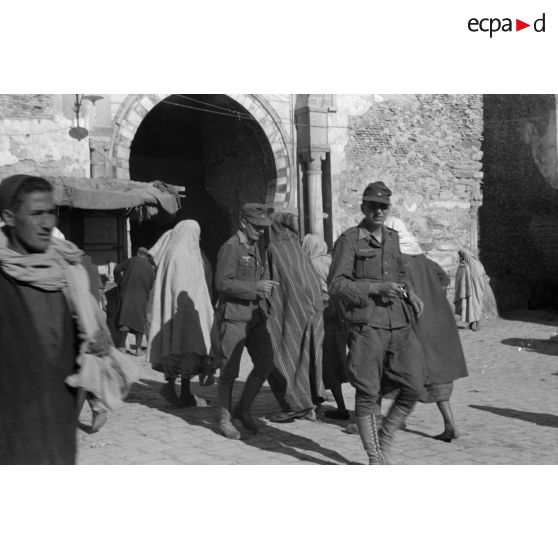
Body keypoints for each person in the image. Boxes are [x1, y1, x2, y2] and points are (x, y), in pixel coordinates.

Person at [0, 174, 112, 464]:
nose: (47, 223)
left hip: (58, 427)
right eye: (36, 213)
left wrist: (95, 342)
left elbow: (81, 337)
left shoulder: (67, 272)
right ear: (9, 217)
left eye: (51, 212)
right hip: (10, 432)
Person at [328, 181, 425, 465]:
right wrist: (375, 288)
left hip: (399, 323)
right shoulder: (349, 240)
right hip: (367, 325)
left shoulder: (393, 238)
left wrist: (411, 293)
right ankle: (375, 456)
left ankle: (386, 434)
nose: (378, 211)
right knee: (368, 391)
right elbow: (336, 285)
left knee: (414, 385)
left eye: (383, 206)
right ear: (363, 207)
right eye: (373, 206)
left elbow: (400, 273)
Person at [384, 216, 468, 441]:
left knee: (399, 369)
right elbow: (443, 278)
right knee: (436, 377)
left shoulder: (396, 259)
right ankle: (450, 424)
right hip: (437, 319)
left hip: (415, 321)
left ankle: (388, 420)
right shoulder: (422, 259)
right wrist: (432, 291)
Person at [214, 203, 277, 439]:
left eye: (263, 227)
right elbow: (222, 283)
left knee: (265, 363)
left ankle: (243, 409)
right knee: (229, 370)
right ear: (243, 223)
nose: (261, 231)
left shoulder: (254, 246)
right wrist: (255, 287)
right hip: (234, 317)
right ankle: (224, 417)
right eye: (257, 226)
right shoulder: (231, 247)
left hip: (254, 316)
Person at [147, 220, 216, 407]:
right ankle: (183, 393)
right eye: (197, 233)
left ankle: (173, 388)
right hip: (186, 313)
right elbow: (190, 288)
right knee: (189, 349)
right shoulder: (187, 256)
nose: (199, 237)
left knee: (176, 347)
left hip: (173, 313)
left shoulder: (171, 253)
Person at [265, 215, 326, 423]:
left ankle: (293, 405)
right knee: (307, 356)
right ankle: (308, 403)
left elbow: (271, 279)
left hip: (289, 310)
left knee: (282, 353)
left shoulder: (275, 248)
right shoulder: (298, 248)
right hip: (311, 310)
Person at [302, 233, 350, 421]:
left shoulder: (311, 264)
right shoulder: (331, 261)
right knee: (335, 358)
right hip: (339, 315)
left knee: (324, 361)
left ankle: (339, 407)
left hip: (323, 316)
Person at [114, 247, 155, 356]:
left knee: (124, 319)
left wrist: (117, 281)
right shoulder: (150, 268)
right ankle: (138, 350)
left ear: (138, 253)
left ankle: (122, 347)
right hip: (141, 297)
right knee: (139, 321)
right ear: (147, 256)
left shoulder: (131, 260)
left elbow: (116, 269)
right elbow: (151, 284)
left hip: (126, 294)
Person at [454, 248, 496, 331]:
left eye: (461, 256)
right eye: (459, 256)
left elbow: (479, 275)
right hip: (466, 291)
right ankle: (471, 322)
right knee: (468, 307)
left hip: (474, 289)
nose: (460, 258)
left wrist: (475, 284)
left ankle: (476, 323)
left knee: (475, 305)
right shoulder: (463, 265)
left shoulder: (474, 264)